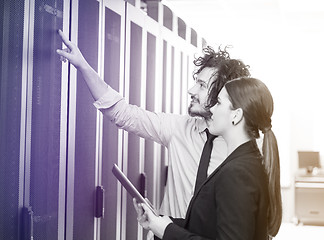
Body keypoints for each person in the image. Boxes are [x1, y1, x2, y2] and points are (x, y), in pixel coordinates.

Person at [55, 30, 250, 217]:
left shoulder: (244, 151)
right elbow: (122, 113)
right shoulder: (179, 128)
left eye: (201, 85)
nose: (191, 90)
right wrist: (83, 66)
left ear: (223, 95)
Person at [134, 77, 282, 239]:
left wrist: (166, 231)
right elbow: (208, 228)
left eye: (218, 103)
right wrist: (161, 223)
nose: (211, 109)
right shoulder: (244, 162)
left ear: (236, 115)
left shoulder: (238, 172)